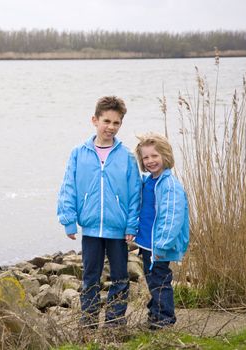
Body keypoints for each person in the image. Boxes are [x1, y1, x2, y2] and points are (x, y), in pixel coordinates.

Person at [57, 96, 141, 328]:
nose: (111, 127)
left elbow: (135, 193)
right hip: (91, 227)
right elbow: (68, 187)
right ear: (95, 120)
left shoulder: (127, 156)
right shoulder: (79, 153)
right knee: (90, 277)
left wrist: (131, 225)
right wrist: (69, 220)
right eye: (106, 121)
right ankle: (89, 321)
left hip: (118, 229)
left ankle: (115, 323)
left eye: (116, 123)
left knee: (120, 277)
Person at [134, 132, 190, 330]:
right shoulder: (150, 181)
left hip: (158, 245)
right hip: (147, 243)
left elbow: (172, 217)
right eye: (146, 157)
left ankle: (164, 319)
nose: (150, 161)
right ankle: (155, 312)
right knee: (152, 280)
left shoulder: (170, 185)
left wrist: (162, 245)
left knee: (160, 280)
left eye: (154, 156)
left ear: (165, 155)